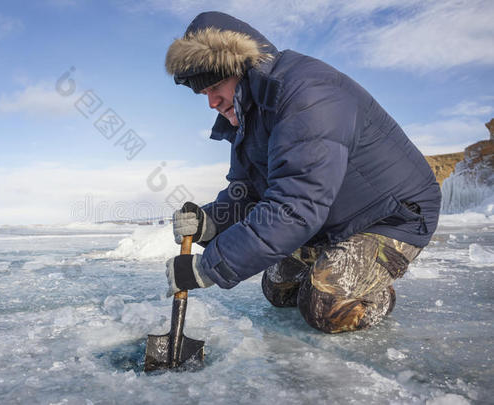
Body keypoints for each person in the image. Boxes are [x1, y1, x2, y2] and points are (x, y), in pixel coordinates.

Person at [163, 11, 441, 333]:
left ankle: (373, 294)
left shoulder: (307, 94)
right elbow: (249, 192)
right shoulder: (248, 114)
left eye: (215, 87)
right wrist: (210, 222)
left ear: (240, 66)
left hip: (391, 217)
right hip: (331, 218)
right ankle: (330, 259)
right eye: (204, 94)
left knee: (325, 307)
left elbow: (296, 205)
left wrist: (207, 268)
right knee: (278, 290)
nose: (212, 102)